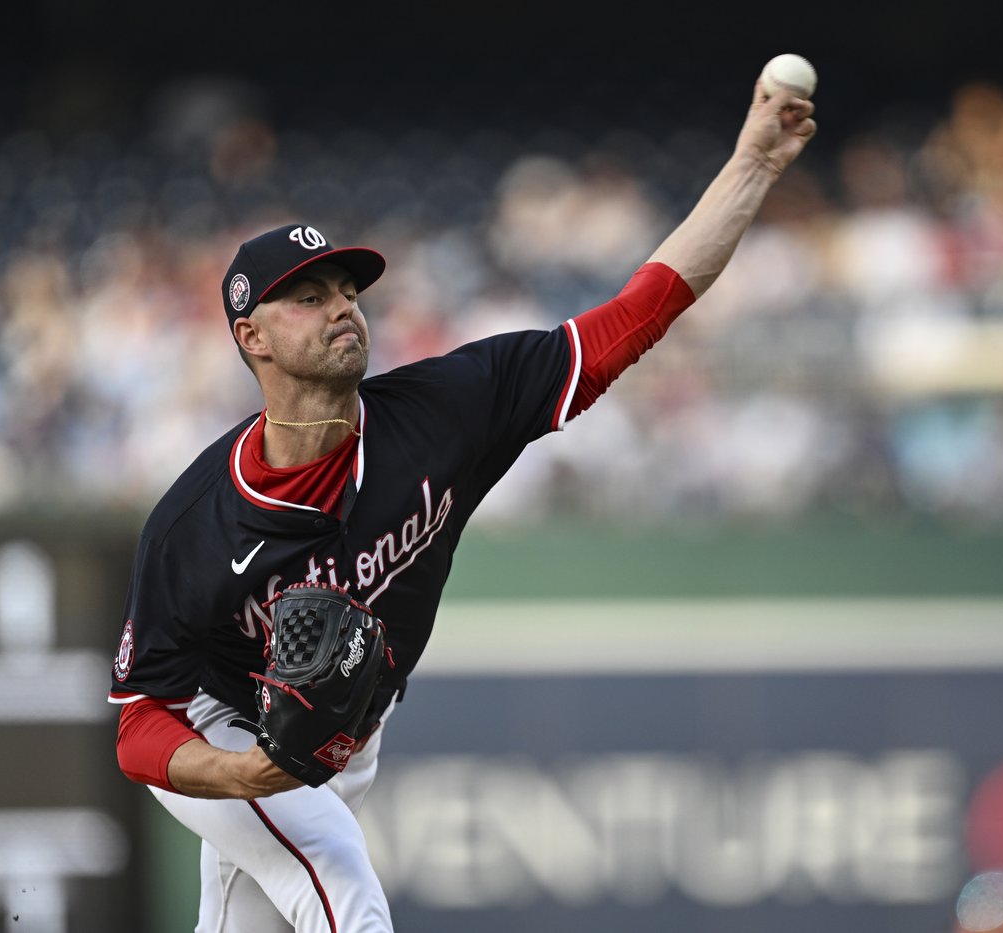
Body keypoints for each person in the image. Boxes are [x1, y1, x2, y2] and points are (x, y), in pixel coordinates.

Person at [108, 72, 816, 932]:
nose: (341, 308)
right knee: (344, 891)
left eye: (346, 292)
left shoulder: (445, 411)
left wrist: (752, 164)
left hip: (350, 732)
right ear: (251, 335)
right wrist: (245, 773)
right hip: (231, 729)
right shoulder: (195, 523)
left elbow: (638, 313)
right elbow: (138, 719)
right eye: (308, 296)